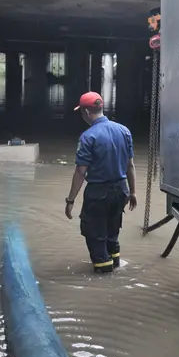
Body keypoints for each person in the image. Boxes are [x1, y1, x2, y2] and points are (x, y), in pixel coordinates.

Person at [64, 92, 137, 273]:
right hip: (121, 191)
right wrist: (133, 192)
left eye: (81, 111)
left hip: (98, 193)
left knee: (95, 235)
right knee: (112, 232)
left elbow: (81, 172)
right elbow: (130, 166)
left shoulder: (88, 137)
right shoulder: (124, 131)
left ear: (87, 112)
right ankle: (116, 267)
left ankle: (104, 275)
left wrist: (70, 200)